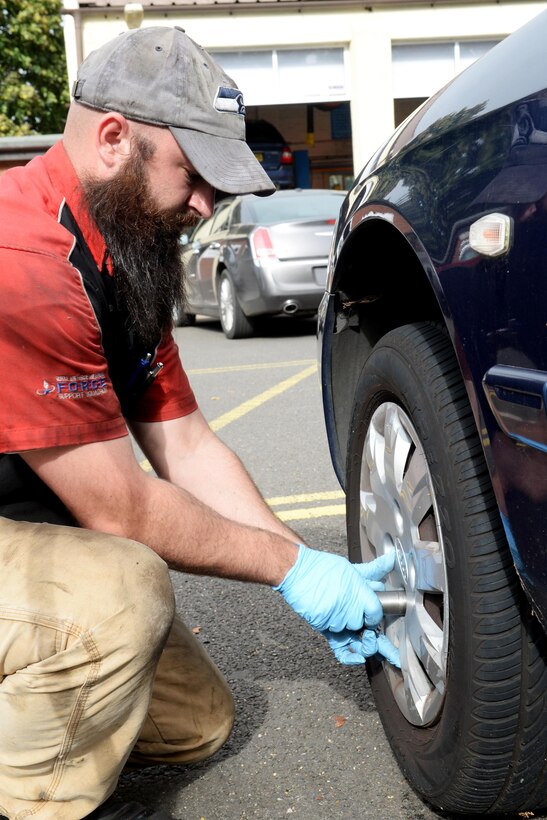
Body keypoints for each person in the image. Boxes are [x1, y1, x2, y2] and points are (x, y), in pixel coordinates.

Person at [0, 26, 399, 820]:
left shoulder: (120, 252)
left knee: (198, 724)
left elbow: (184, 442)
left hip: (23, 523)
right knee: (119, 598)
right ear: (114, 138)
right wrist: (290, 572)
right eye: (194, 175)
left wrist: (298, 560)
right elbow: (120, 508)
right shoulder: (24, 259)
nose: (205, 205)